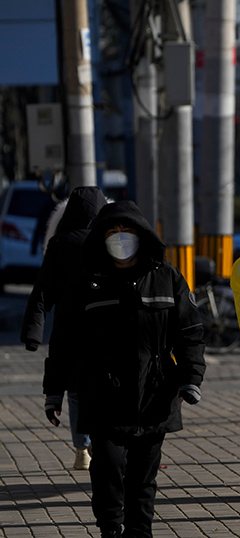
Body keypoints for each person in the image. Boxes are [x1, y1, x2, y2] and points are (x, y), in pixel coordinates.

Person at [43, 200, 206, 538]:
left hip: (155, 394)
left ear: (141, 235)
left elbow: (189, 332)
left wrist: (191, 378)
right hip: (102, 395)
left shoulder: (167, 278)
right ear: (101, 239)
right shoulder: (87, 284)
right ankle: (110, 528)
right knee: (108, 470)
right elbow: (63, 341)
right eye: (112, 233)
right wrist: (53, 391)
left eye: (126, 232)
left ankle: (138, 531)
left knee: (143, 477)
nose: (120, 238)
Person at [21, 186, 108, 470]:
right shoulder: (107, 240)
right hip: (105, 326)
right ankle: (100, 440)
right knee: (106, 386)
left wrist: (33, 333)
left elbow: (42, 292)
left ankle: (81, 450)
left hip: (69, 329)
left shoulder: (59, 243)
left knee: (75, 392)